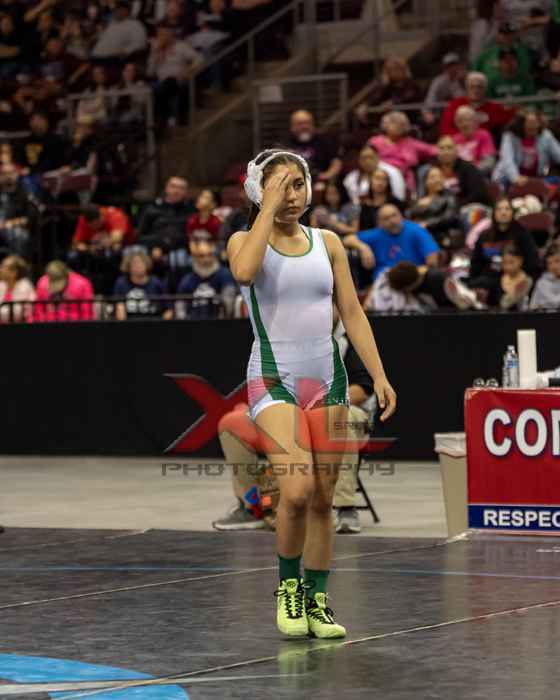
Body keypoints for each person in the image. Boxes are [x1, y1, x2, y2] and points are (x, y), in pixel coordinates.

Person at [226, 148, 396, 638]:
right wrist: (266, 207)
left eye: (298, 184)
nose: (292, 195)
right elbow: (243, 273)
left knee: (323, 496)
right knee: (296, 490)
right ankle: (287, 588)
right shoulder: (244, 240)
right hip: (272, 377)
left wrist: (379, 375)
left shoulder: (329, 243)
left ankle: (317, 598)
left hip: (328, 379)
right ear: (259, 192)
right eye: (280, 187)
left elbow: (353, 313)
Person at [212, 320, 375, 534]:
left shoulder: (348, 341)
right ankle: (253, 506)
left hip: (349, 410)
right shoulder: (286, 342)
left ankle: (345, 508)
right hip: (293, 412)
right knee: (232, 424)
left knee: (335, 420)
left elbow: (362, 390)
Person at [342, 204, 440, 282]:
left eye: (394, 215)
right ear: (379, 223)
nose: (392, 221)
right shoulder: (377, 234)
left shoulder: (416, 230)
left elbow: (432, 261)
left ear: (401, 216)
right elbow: (347, 239)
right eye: (386, 218)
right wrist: (363, 247)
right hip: (384, 280)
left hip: (412, 278)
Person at [368, 111, 438, 194]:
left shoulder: (411, 143)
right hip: (379, 178)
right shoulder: (375, 141)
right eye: (394, 122)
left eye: (401, 124)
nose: (398, 126)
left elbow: (433, 150)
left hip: (404, 181)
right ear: (385, 124)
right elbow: (367, 158)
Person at [493, 109, 560, 187]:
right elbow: (507, 160)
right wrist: (516, 178)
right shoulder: (509, 136)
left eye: (536, 123)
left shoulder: (546, 135)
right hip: (509, 177)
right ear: (521, 124)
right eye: (530, 123)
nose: (534, 126)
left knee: (555, 180)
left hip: (535, 178)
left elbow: (558, 153)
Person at [176, 233, 236, 319]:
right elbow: (180, 309)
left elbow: (229, 306)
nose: (206, 259)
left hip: (218, 323)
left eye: (209, 255)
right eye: (201, 256)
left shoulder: (224, 275)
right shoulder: (187, 280)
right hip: (193, 324)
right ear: (195, 257)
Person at [439, 71, 515, 138]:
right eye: (472, 86)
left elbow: (510, 119)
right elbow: (445, 130)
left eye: (479, 87)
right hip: (459, 144)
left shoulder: (494, 108)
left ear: (485, 89)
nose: (476, 90)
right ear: (466, 87)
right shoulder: (454, 105)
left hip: (486, 145)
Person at [137, 176, 196, 253]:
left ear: (186, 192)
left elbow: (193, 237)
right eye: (173, 186)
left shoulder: (191, 211)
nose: (176, 191)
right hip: (153, 248)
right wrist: (154, 246)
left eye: (181, 188)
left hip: (181, 249)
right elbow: (140, 236)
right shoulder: (152, 208)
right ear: (166, 188)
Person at [287, 110, 342, 186]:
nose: (304, 126)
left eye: (307, 123)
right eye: (300, 124)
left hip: (321, 183)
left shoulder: (325, 141)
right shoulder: (284, 144)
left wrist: (326, 176)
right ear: (292, 127)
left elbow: (336, 163)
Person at [408, 166, 460, 247]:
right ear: (425, 181)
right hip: (416, 235)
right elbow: (409, 216)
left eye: (440, 176)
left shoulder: (449, 198)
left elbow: (450, 217)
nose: (438, 180)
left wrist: (427, 223)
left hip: (438, 235)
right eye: (433, 177)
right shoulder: (417, 200)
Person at [113, 249, 172, 320]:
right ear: (128, 266)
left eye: (141, 262)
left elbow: (169, 310)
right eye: (135, 263)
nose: (138, 266)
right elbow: (119, 310)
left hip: (154, 322)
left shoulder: (156, 283)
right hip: (129, 323)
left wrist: (161, 322)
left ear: (146, 264)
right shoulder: (121, 283)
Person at [435, 136, 491, 206]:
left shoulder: (468, 168)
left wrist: (457, 206)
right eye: (441, 148)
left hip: (469, 206)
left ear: (456, 151)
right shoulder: (434, 170)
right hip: (444, 208)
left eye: (449, 148)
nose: (445, 152)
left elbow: (477, 194)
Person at [423, 53, 467, 125]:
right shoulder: (438, 81)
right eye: (449, 66)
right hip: (443, 114)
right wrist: (427, 113)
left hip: (462, 113)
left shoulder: (466, 80)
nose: (452, 68)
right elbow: (431, 98)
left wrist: (462, 82)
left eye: (454, 65)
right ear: (444, 68)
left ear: (459, 66)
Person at [452, 105, 496, 174]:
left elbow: (489, 162)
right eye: (460, 121)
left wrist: (471, 173)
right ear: (456, 123)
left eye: (468, 120)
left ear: (475, 122)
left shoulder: (484, 135)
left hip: (477, 174)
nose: (465, 124)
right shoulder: (454, 139)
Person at [0, 254, 35, 323]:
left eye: (4, 267)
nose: (0, 270)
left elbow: (16, 314)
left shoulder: (24, 286)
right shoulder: (2, 284)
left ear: (14, 272)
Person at [530, 241, 560, 308]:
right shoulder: (543, 282)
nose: (553, 266)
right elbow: (554, 302)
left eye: (557, 261)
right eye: (549, 263)